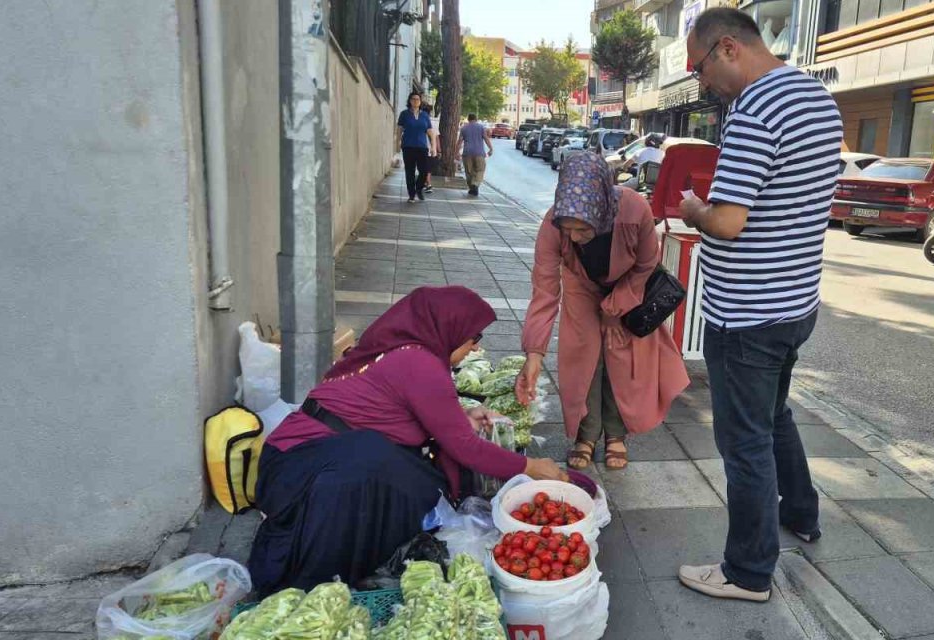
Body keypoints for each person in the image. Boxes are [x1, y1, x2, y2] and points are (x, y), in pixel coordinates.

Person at [676, 7, 844, 603]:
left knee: (743, 442)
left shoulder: (752, 110)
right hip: (796, 302)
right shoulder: (817, 98)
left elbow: (727, 223)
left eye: (699, 68)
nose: (700, 84)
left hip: (745, 312)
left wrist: (693, 208)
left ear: (727, 48)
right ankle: (801, 512)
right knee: (775, 418)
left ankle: (747, 572)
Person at [248, 287, 568, 594]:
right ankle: (329, 564)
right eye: (474, 338)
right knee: (410, 480)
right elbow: (465, 448)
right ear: (449, 329)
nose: (476, 348)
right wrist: (532, 465)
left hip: (295, 455)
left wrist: (462, 417)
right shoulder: (420, 364)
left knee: (410, 472)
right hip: (302, 473)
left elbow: (400, 405)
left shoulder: (404, 348)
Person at [516, 153, 689, 471]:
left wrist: (615, 308)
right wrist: (534, 353)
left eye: (582, 230)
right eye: (567, 230)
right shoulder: (553, 225)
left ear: (600, 213)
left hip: (628, 284)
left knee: (621, 357)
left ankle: (616, 434)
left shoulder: (635, 209)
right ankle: (586, 434)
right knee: (583, 357)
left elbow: (646, 264)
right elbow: (544, 292)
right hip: (581, 286)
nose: (573, 237)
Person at [397, 93, 436, 201]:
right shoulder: (404, 114)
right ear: (410, 101)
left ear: (420, 101)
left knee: (424, 171)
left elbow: (430, 132)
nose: (415, 101)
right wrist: (397, 143)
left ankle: (419, 188)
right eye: (413, 99)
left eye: (418, 99)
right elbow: (399, 130)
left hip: (422, 147)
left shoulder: (425, 115)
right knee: (410, 171)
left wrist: (433, 147)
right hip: (408, 146)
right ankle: (411, 194)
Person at [459, 113, 493, 197]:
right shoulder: (481, 127)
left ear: (468, 119)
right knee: (480, 170)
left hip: (467, 153)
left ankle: (472, 188)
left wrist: (456, 152)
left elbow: (459, 142)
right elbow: (485, 138)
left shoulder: (463, 128)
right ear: (476, 119)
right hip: (479, 153)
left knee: (469, 171)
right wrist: (491, 148)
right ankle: (476, 184)